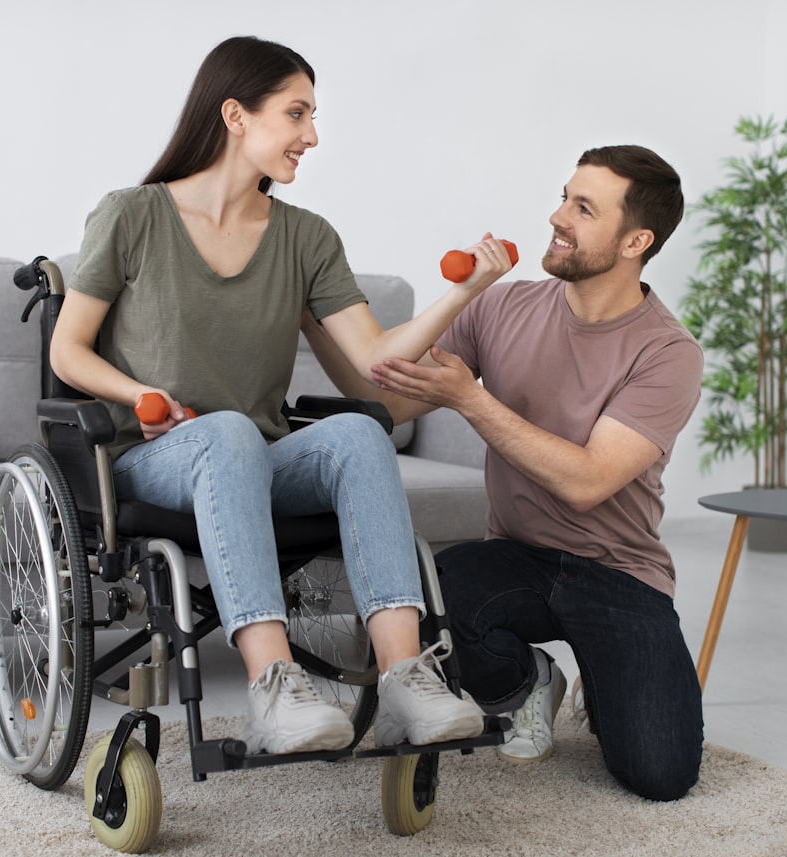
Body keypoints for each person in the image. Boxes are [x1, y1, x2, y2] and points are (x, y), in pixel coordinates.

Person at [49, 35, 508, 756]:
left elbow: (370, 366)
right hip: (151, 453)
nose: (312, 136)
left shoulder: (306, 238)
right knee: (229, 432)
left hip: (255, 456)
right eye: (297, 115)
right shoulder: (131, 215)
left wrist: (463, 293)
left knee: (359, 431)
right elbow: (66, 350)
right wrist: (141, 392)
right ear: (236, 115)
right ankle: (272, 689)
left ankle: (405, 681)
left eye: (313, 117)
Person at [304, 145, 704, 800]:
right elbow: (394, 399)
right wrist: (315, 318)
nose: (557, 216)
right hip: (514, 558)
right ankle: (530, 682)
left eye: (583, 207)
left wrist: (471, 398)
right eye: (564, 196)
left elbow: (587, 480)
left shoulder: (668, 352)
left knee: (661, 772)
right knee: (432, 593)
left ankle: (608, 683)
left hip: (619, 571)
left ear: (637, 239)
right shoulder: (501, 308)